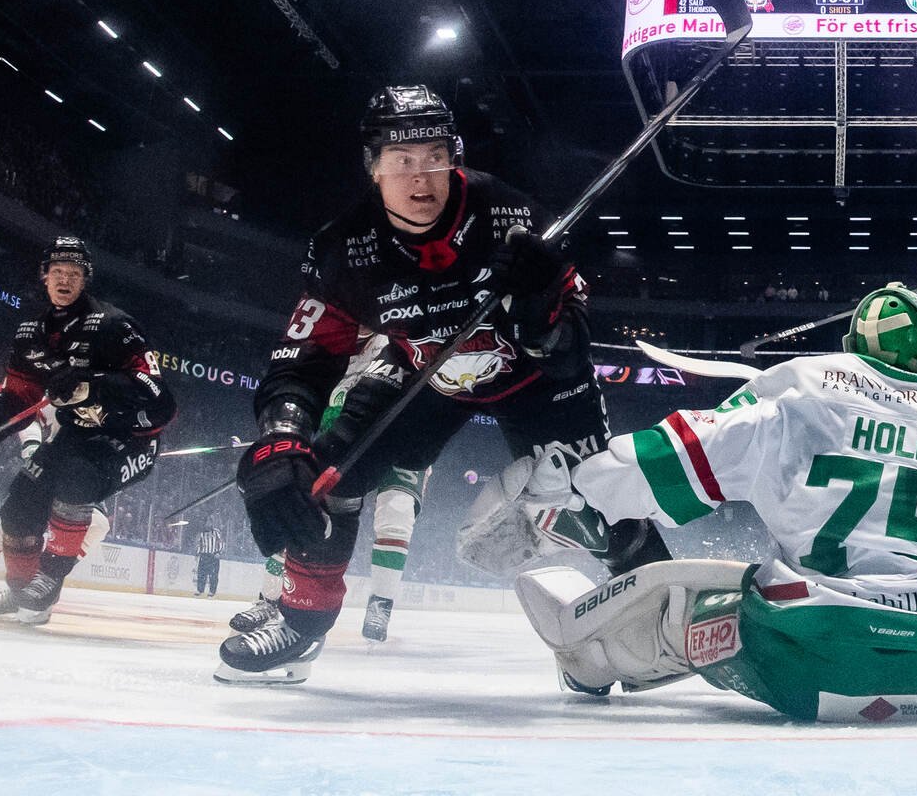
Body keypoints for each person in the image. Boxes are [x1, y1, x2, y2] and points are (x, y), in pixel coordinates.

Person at [214, 86, 667, 685]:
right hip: (428, 375)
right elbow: (303, 361)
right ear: (373, 169)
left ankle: (665, 619)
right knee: (322, 471)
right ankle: (303, 619)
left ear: (453, 155)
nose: (420, 176)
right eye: (401, 161)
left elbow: (569, 353)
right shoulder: (342, 251)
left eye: (432, 155)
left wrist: (542, 315)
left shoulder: (509, 213)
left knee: (602, 497)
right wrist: (280, 437)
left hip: (532, 378)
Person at [510, 282, 917, 722]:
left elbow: (648, 469)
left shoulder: (799, 389)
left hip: (804, 662)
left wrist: (572, 483)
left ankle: (593, 660)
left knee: (677, 600)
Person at [0, 237, 174, 624]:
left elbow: (162, 401)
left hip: (132, 438)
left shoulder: (115, 326)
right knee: (19, 505)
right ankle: (23, 594)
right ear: (44, 276)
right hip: (78, 435)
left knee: (76, 479)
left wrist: (92, 385)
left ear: (85, 279)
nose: (64, 280)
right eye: (57, 272)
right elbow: (16, 400)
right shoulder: (31, 333)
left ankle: (48, 580)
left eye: (74, 274)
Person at [232, 345, 433, 644]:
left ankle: (381, 603)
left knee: (398, 509)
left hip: (401, 435)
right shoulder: (336, 345)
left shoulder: (400, 334)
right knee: (300, 503)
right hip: (347, 434)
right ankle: (269, 598)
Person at [0, 417, 111, 598]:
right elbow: (31, 416)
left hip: (81, 479)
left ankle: (40, 583)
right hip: (49, 467)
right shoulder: (65, 394)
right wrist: (31, 447)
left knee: (97, 524)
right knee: (7, 525)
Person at [193, 517, 224, 597]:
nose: (208, 524)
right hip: (204, 555)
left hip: (213, 556)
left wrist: (219, 552)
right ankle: (200, 589)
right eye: (206, 522)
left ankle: (212, 591)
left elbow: (221, 543)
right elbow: (199, 544)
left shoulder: (216, 532)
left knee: (213, 575)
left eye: (209, 522)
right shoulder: (201, 533)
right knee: (201, 573)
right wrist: (198, 553)